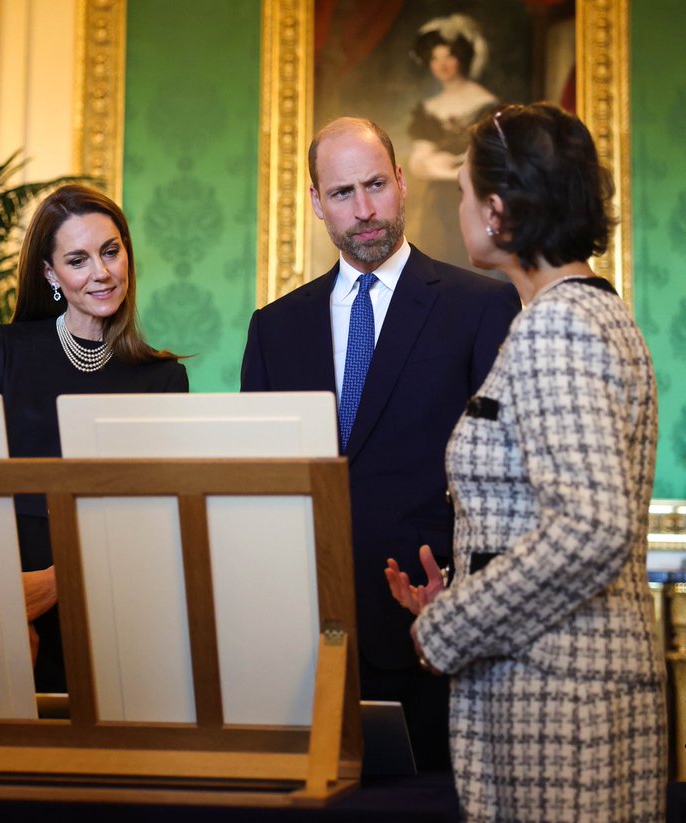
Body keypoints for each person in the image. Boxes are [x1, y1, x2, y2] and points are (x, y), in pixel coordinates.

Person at [385, 103, 665, 821]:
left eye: (465, 191)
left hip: (558, 701)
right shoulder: (589, 313)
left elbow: (591, 528)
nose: (460, 207)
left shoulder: (558, 327)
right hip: (571, 685)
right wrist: (468, 585)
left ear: (499, 210)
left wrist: (449, 626)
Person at [240, 117, 519, 770]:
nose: (364, 209)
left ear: (400, 182)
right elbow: (259, 486)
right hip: (304, 637)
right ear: (317, 202)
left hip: (431, 630)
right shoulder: (274, 328)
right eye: (343, 193)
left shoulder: (480, 306)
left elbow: (503, 481)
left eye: (375, 185)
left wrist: (463, 605)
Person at [0, 184, 188, 693]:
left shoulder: (163, 379)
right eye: (77, 260)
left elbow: (156, 523)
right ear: (50, 273)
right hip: (6, 599)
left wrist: (55, 582)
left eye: (111, 251)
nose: (102, 272)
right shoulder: (6, 351)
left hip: (116, 607)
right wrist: (1, 602)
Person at [407, 15, 498, 274]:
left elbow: (485, 159)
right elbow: (418, 163)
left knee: (471, 265)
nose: (442, 65)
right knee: (438, 260)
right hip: (437, 204)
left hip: (474, 198)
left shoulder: (484, 103)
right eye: (435, 58)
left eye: (448, 56)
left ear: (462, 58)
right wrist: (444, 167)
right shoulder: (429, 108)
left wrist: (441, 165)